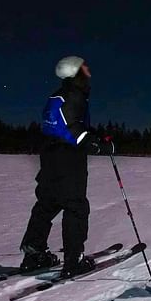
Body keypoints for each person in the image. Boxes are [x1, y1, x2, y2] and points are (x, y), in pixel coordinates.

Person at [19, 55, 112, 277]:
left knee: (47, 203)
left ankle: (34, 254)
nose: (88, 70)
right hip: (68, 159)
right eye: (84, 67)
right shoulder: (73, 94)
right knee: (75, 206)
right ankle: (73, 261)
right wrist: (94, 144)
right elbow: (69, 127)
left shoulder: (59, 95)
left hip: (51, 157)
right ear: (75, 71)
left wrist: (94, 138)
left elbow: (63, 125)